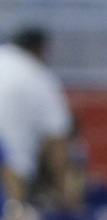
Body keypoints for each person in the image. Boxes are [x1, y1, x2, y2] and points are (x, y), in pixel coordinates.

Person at [0, 29, 74, 206]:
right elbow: (57, 140)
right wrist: (68, 196)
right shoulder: (38, 75)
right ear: (40, 50)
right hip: (13, 176)